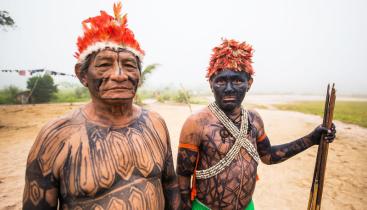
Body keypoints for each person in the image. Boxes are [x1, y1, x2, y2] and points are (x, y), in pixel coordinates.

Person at [22, 3, 180, 210]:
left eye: (129, 65)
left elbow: (170, 185)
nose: (119, 75)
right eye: (105, 64)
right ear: (82, 75)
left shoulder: (155, 123)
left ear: (139, 76)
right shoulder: (56, 136)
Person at [176, 39, 336, 210]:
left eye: (237, 81)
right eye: (221, 81)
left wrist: (312, 139)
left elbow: (268, 157)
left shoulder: (254, 119)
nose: (229, 88)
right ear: (211, 84)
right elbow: (183, 175)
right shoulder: (196, 123)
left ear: (249, 83)